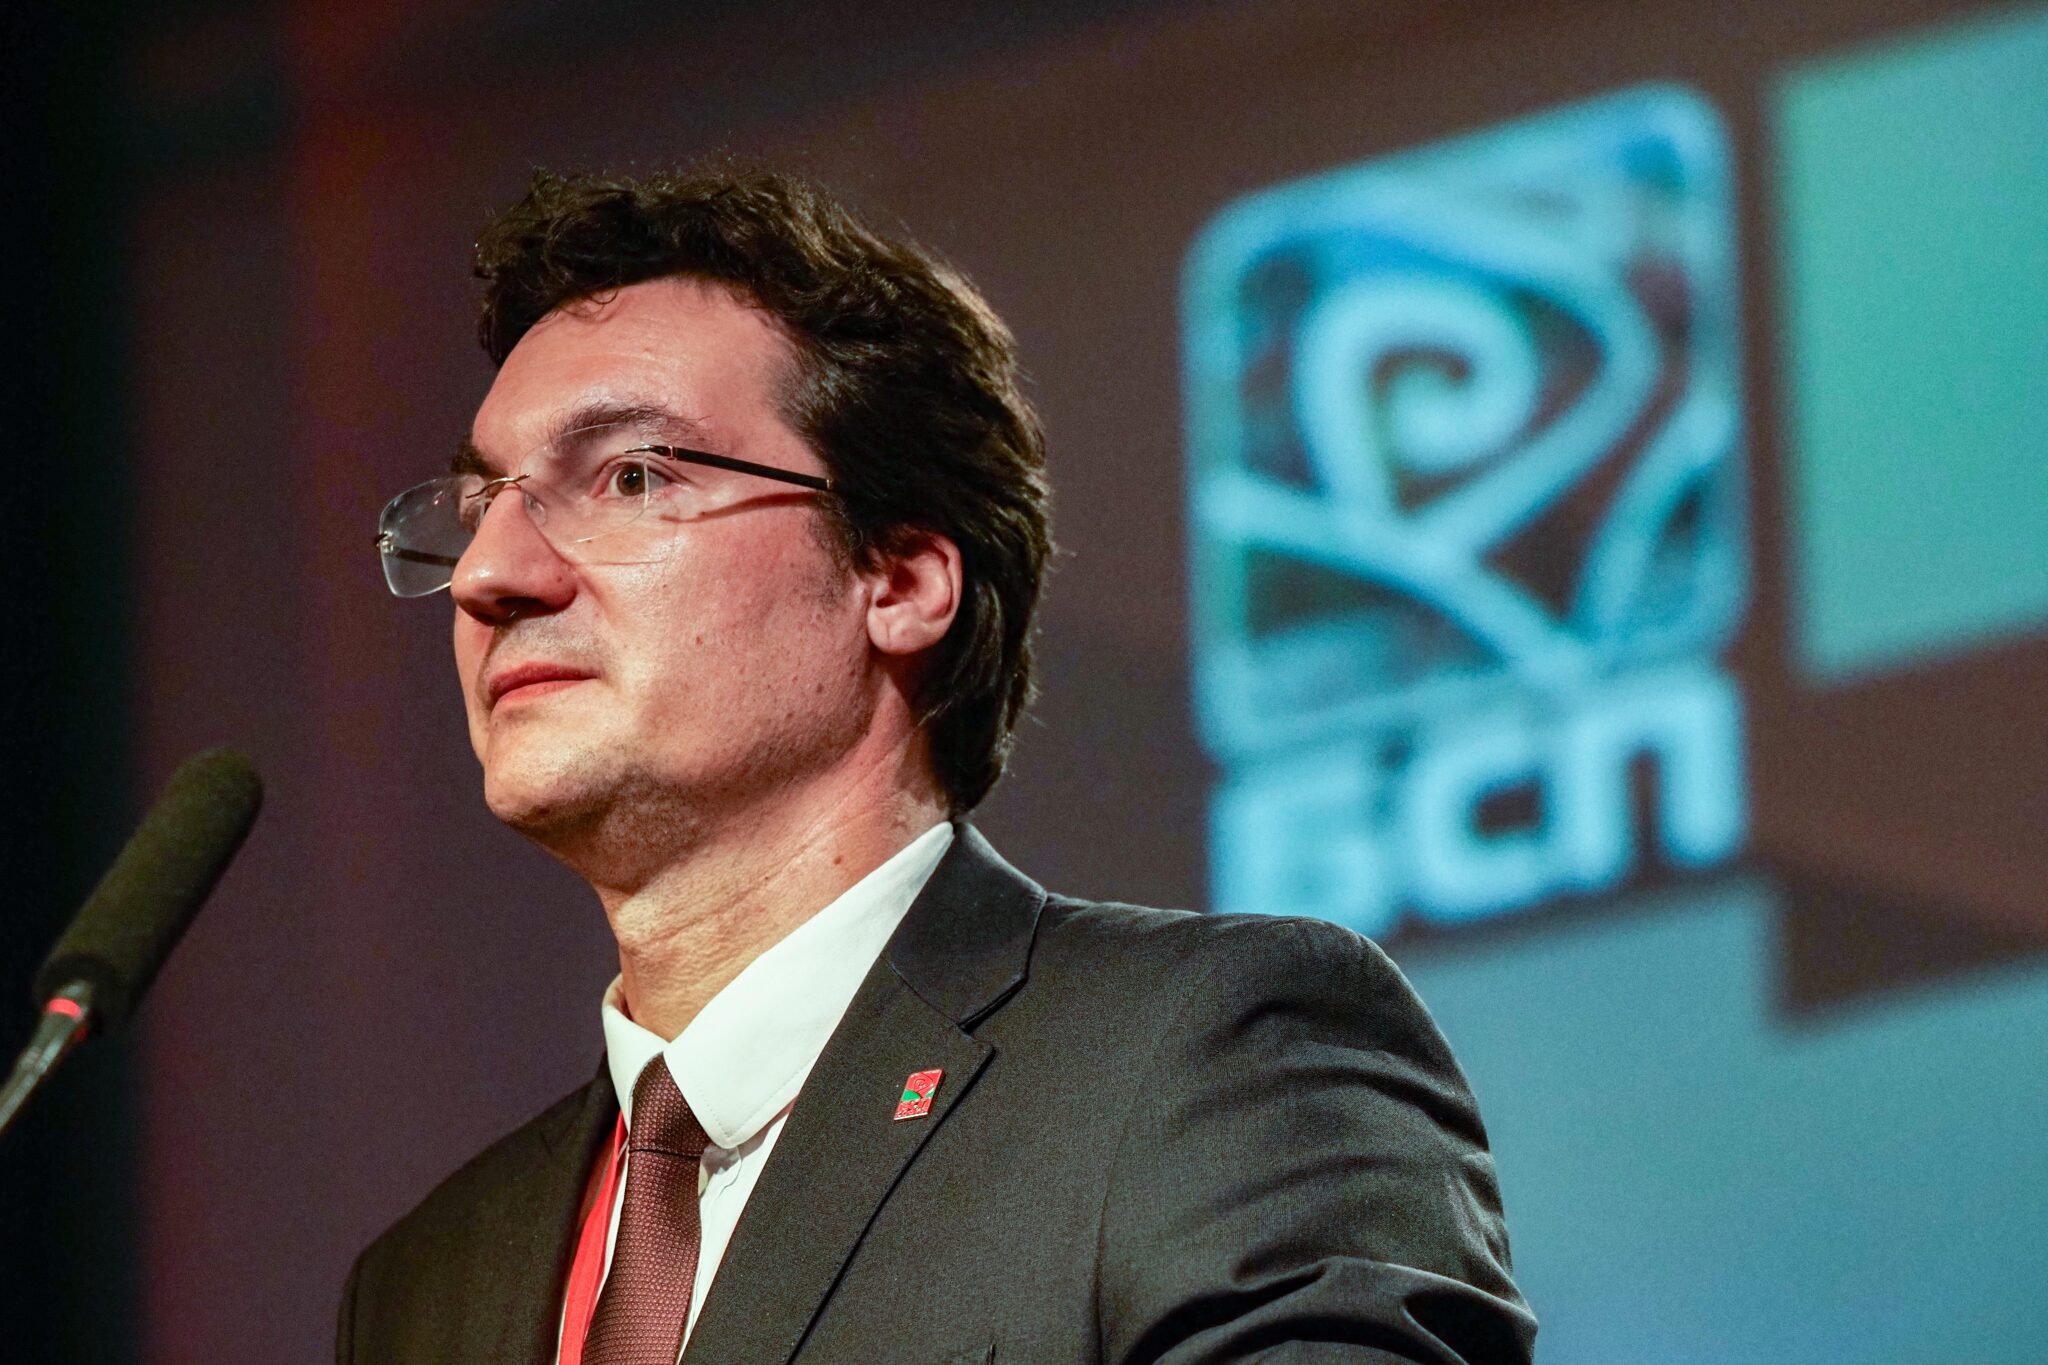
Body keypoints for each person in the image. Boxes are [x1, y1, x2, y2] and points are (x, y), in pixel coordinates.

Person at [343, 164, 1535, 1364]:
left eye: (632, 476)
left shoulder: (1206, 1060)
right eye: (480, 506)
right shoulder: (427, 1284)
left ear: (902, 580)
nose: (489, 575)